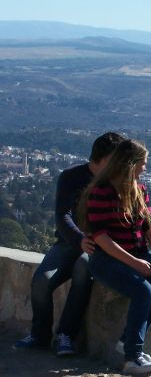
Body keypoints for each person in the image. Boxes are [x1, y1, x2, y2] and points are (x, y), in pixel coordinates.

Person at [13, 132, 125, 356]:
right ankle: (40, 335)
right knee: (41, 281)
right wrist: (79, 238)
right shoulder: (71, 177)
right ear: (103, 159)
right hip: (69, 242)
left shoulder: (116, 182)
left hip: (99, 245)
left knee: (83, 270)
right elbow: (62, 215)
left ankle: (66, 335)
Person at [78, 139, 151, 374]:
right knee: (143, 290)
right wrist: (136, 264)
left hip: (139, 253)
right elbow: (102, 239)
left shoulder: (139, 191)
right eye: (143, 163)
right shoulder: (101, 193)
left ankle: (128, 340)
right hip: (108, 259)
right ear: (130, 164)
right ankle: (132, 357)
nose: (145, 168)